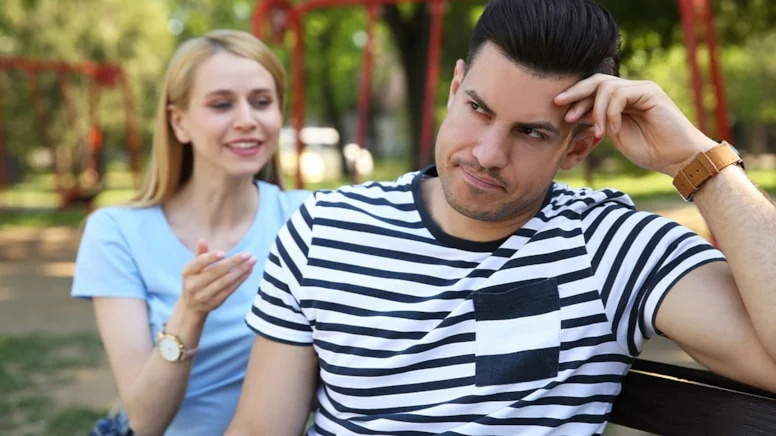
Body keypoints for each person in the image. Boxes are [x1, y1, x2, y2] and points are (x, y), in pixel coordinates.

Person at [227, 0, 776, 434]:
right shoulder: (325, 229)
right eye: (479, 109)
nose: (488, 154)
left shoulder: (609, 247)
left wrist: (697, 162)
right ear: (454, 88)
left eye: (530, 132)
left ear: (577, 146)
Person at [71, 29, 309, 435]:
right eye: (221, 104)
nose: (247, 120)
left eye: (262, 102)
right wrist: (190, 311)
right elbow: (145, 422)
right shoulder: (114, 233)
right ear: (178, 123)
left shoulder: (309, 218)